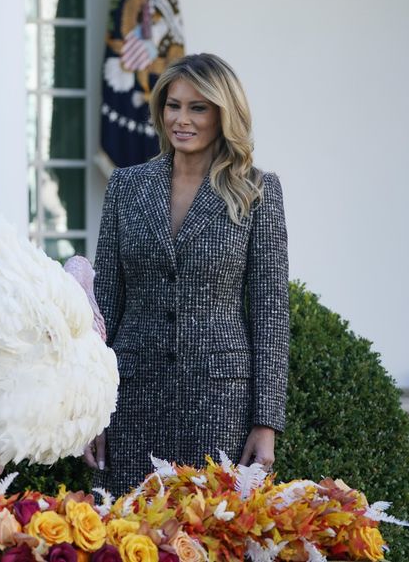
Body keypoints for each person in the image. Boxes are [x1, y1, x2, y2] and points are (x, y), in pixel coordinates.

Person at [86, 53, 289, 496]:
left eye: (198, 108)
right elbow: (103, 306)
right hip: (130, 401)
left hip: (220, 404)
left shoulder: (257, 191)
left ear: (223, 114)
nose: (182, 119)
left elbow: (271, 313)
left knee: (210, 533)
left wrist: (266, 421)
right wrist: (90, 409)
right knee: (126, 536)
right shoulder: (126, 185)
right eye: (173, 105)